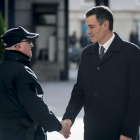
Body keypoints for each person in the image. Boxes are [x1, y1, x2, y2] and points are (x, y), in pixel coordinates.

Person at [62, 6, 140, 140]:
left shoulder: (132, 53)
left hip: (120, 133)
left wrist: (128, 132)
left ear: (105, 25)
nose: (88, 32)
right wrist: (69, 116)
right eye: (87, 27)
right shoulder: (87, 53)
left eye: (91, 27)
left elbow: (137, 97)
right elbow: (80, 90)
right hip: (92, 132)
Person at [0, 26, 70, 140]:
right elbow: (37, 108)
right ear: (18, 46)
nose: (32, 45)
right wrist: (60, 127)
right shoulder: (22, 72)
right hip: (23, 134)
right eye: (28, 41)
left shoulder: (2, 68)